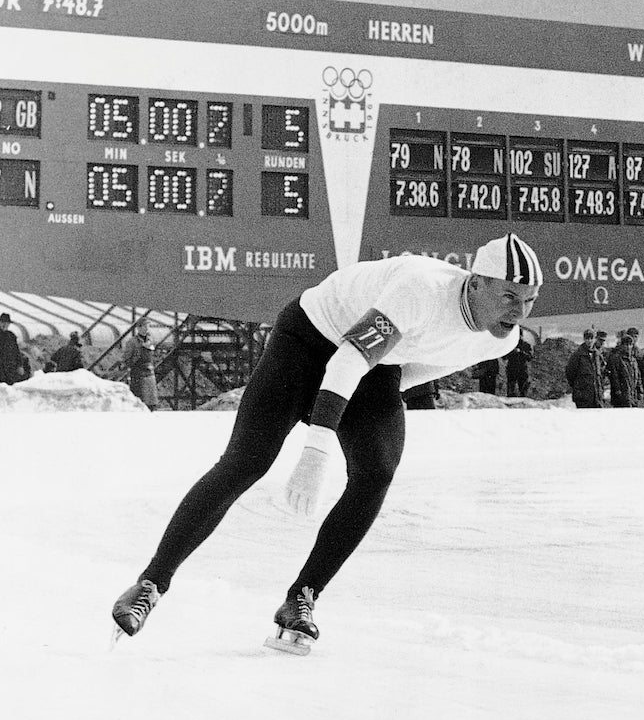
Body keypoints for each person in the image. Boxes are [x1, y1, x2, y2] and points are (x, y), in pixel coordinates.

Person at [110, 232, 543, 651]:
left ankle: (302, 596)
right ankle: (150, 582)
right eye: (509, 296)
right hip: (309, 340)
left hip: (372, 364)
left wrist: (379, 398)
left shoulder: (499, 342)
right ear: (476, 281)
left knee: (377, 471)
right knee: (247, 461)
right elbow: (347, 358)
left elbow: (421, 368)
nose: (519, 311)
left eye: (529, 300)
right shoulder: (421, 289)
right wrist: (316, 449)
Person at [124, 319, 159, 411]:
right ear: (138, 328)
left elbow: (153, 355)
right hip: (138, 373)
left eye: (148, 326)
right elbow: (127, 359)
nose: (147, 329)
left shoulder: (151, 340)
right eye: (145, 326)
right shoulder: (132, 342)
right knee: (141, 400)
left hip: (150, 373)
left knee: (152, 401)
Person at [565, 329, 605, 409]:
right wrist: (578, 388)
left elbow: (601, 373)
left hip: (597, 396)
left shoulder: (597, 355)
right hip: (583, 397)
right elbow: (570, 373)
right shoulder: (577, 355)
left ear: (595, 339)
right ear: (584, 339)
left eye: (591, 338)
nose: (589, 341)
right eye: (587, 338)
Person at [606, 334, 643, 408]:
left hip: (633, 396)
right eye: (626, 345)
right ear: (622, 345)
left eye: (630, 345)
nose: (628, 347)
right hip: (621, 397)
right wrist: (618, 392)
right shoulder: (617, 359)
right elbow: (614, 377)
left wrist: (640, 392)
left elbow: (638, 377)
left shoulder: (633, 360)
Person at [0, 312, 24, 385]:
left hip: (10, 370)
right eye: (3, 322)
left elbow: (16, 352)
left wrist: (20, 365)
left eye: (7, 323)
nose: (5, 325)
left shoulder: (11, 336)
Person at [504, 331, 533, 397]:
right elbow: (504, 357)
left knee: (523, 392)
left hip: (522, 370)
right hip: (511, 370)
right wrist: (511, 352)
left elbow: (530, 357)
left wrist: (521, 352)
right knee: (511, 392)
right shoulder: (509, 345)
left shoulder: (526, 345)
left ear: (521, 336)